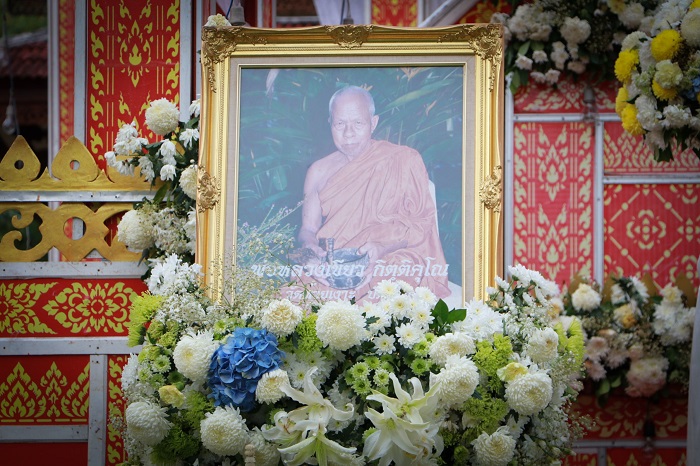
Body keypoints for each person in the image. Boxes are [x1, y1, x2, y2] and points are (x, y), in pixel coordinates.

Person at [294, 85, 451, 301]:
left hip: (391, 256)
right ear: (330, 123)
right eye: (340, 124)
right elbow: (308, 229)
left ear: (373, 123)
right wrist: (310, 250)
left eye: (358, 123)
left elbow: (420, 225)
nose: (348, 133)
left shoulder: (404, 160)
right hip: (337, 264)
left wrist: (383, 248)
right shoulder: (318, 171)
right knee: (295, 297)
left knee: (388, 285)